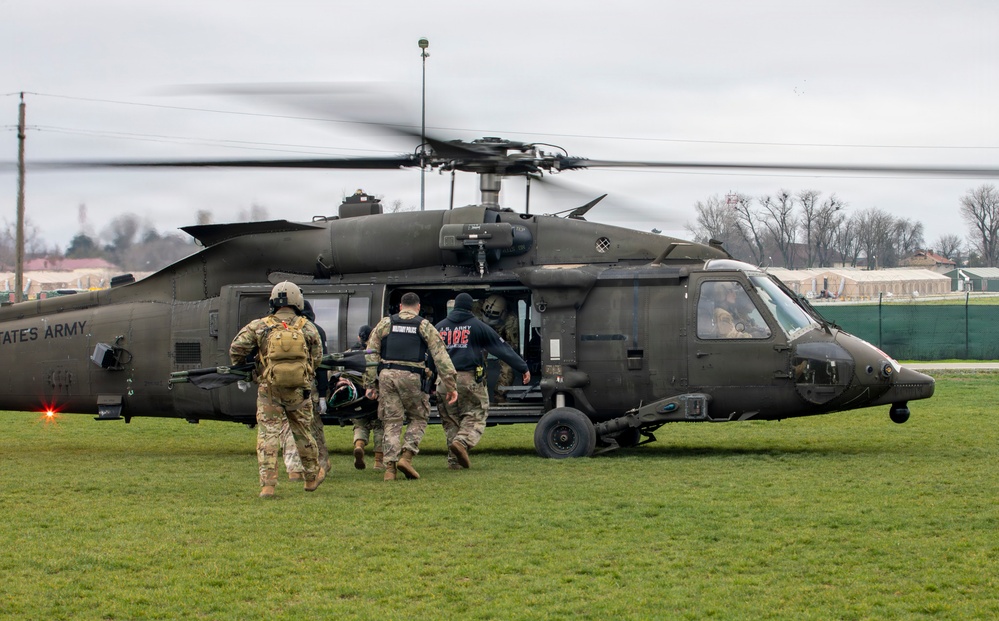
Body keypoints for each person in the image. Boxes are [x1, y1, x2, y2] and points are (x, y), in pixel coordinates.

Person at [229, 281, 326, 498]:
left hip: (269, 389)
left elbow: (236, 348)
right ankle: (311, 478)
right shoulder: (307, 326)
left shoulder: (260, 325)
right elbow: (317, 357)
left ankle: (268, 485)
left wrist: (246, 369)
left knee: (268, 436)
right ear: (297, 301)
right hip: (299, 391)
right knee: (303, 433)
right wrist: (305, 372)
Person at [363, 292, 458, 481]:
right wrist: (450, 385)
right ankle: (406, 456)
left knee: (391, 422)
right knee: (419, 417)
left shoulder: (385, 323)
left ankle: (390, 468)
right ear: (418, 307)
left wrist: (370, 384)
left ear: (400, 306)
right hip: (413, 376)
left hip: (387, 376)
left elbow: (370, 353)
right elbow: (441, 356)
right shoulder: (423, 325)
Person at [435, 292, 531, 469]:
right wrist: (522, 367)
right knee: (477, 413)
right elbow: (502, 347)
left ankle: (454, 461)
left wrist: (426, 383)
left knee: (451, 421)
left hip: (443, 381)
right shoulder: (477, 326)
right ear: (470, 308)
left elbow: (428, 356)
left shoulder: (439, 328)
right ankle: (463, 442)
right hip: (468, 379)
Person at [280, 300, 330, 481]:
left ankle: (294, 467)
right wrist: (323, 393)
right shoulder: (313, 330)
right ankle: (322, 462)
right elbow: (321, 364)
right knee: (313, 424)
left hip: (280, 383)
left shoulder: (279, 328)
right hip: (308, 385)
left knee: (288, 425)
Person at [349, 324, 385, 471]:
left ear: (359, 337)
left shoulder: (350, 353)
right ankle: (378, 462)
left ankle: (359, 445)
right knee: (379, 426)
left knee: (360, 425)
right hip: (375, 396)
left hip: (357, 397)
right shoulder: (377, 353)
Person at [478, 294, 520, 403]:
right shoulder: (475, 310)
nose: (488, 318)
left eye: (493, 316)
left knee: (508, 366)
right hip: (479, 337)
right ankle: (480, 395)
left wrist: (498, 345)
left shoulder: (511, 320)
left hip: (500, 339)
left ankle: (500, 395)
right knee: (477, 363)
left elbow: (512, 346)